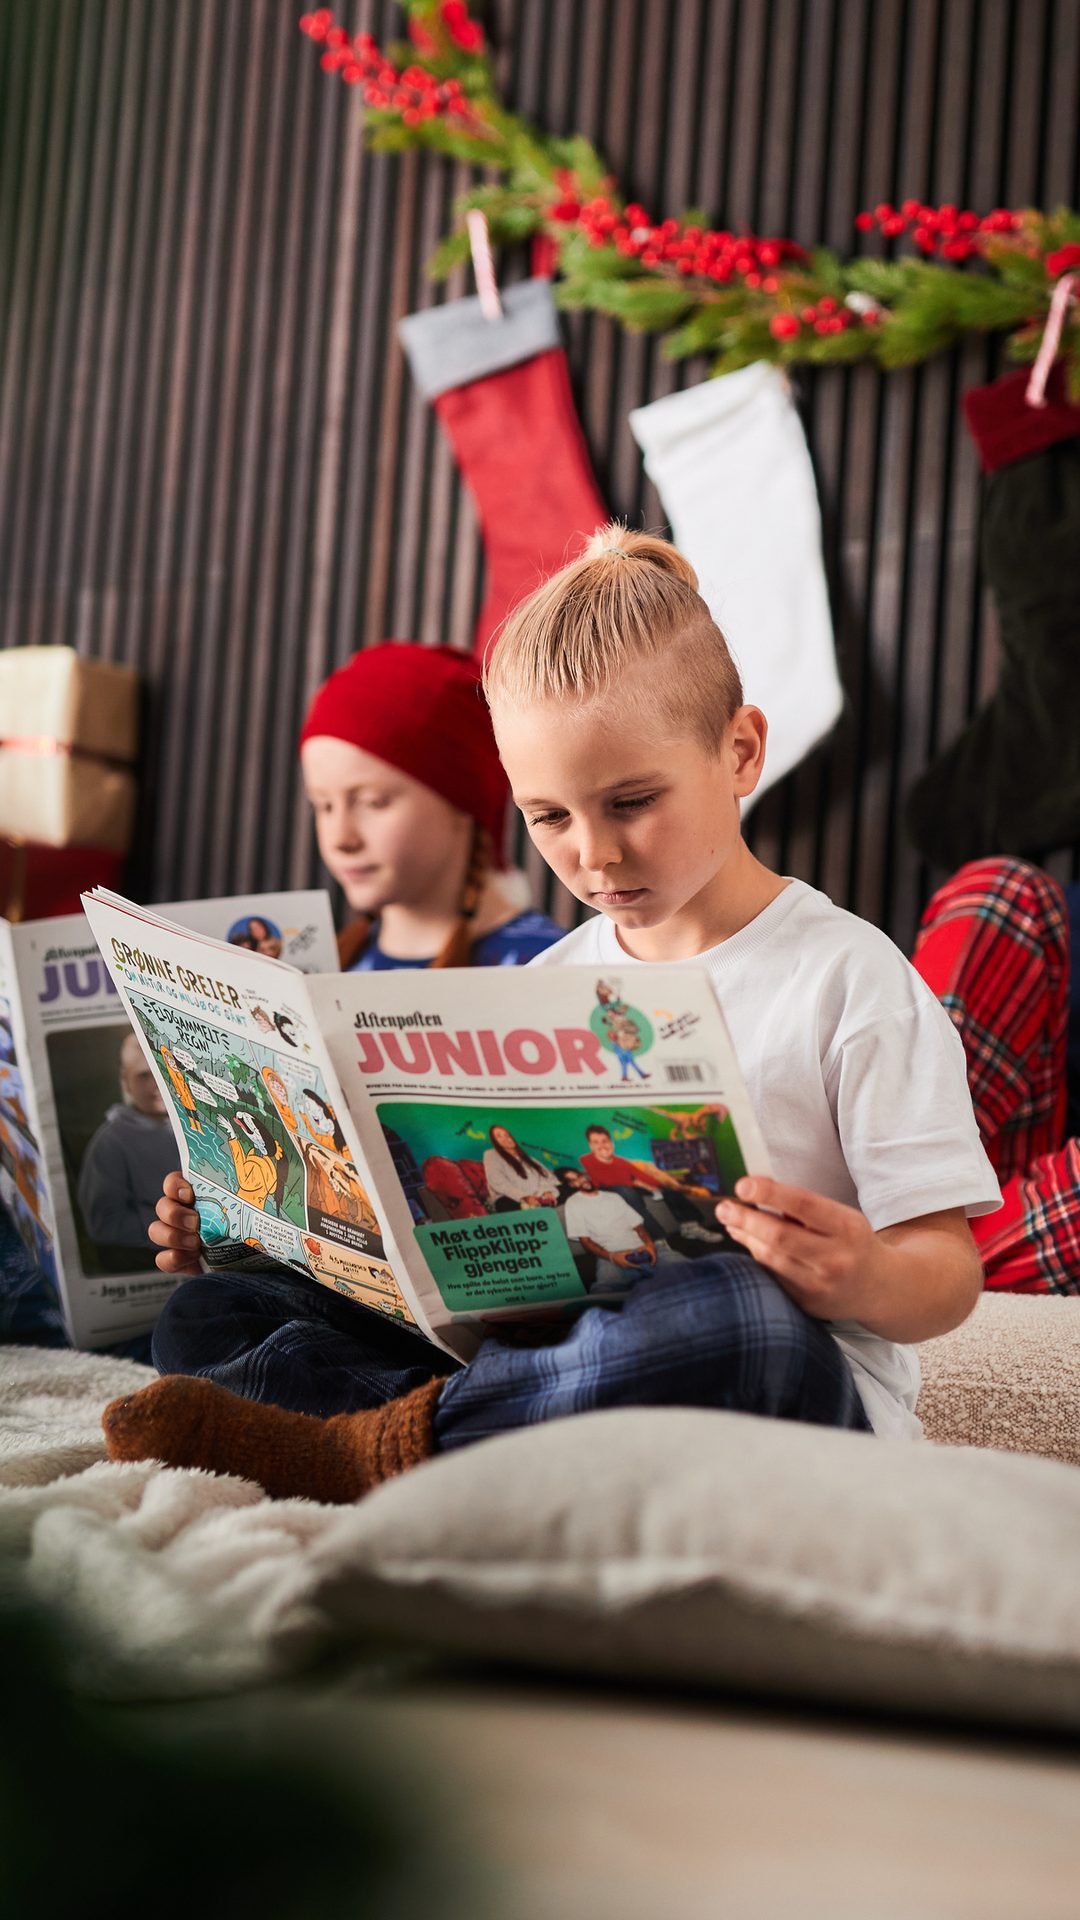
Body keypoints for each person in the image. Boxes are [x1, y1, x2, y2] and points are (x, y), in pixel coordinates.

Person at [104, 526, 997, 1504]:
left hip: (770, 1391)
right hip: (550, 1362)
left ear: (741, 751)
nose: (595, 855)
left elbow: (946, 1270)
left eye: (631, 801)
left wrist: (861, 1274)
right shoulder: (551, 973)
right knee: (211, 1313)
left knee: (733, 1310)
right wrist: (256, 1229)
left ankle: (373, 1455)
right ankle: (449, 1434)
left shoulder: (847, 975)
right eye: (551, 817)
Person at [300, 642, 563, 971]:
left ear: (463, 802)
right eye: (323, 806)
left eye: (373, 803)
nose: (341, 838)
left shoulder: (547, 968)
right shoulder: (323, 968)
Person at [76, 1032, 179, 1250]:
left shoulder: (197, 1126)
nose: (156, 1084)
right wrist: (173, 1225)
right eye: (144, 1075)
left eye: (163, 1072)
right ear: (126, 1081)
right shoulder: (111, 1142)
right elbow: (104, 1223)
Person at [561, 1173, 685, 1295]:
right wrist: (612, 1257)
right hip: (612, 1256)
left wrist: (650, 1245)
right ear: (572, 1185)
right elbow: (585, 1241)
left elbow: (638, 1225)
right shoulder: (573, 1203)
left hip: (645, 1248)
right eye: (574, 1180)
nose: (581, 1180)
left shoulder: (614, 1196)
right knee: (604, 1293)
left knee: (692, 1268)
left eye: (581, 1176)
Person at [481, 1125, 558, 1211]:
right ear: (494, 1142)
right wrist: (524, 1196)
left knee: (564, 1191)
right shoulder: (491, 1154)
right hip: (510, 1197)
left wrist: (546, 1191)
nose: (505, 1138)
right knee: (506, 1204)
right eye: (499, 1136)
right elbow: (497, 1182)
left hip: (536, 1195)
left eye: (507, 1135)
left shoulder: (528, 1158)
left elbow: (542, 1177)